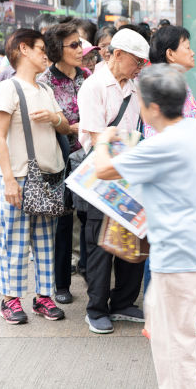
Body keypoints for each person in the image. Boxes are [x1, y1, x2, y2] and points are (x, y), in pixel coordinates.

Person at [93, 64, 196, 388]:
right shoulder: (192, 129)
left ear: (153, 107)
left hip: (178, 254)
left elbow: (104, 169)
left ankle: (191, 381)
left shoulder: (161, 145)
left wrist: (104, 140)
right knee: (162, 316)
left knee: (171, 343)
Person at [145, 24, 196, 336]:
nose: (192, 51)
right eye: (186, 45)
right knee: (170, 250)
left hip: (187, 179)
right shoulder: (162, 85)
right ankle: (162, 319)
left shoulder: (179, 83)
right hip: (173, 181)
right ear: (170, 53)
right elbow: (160, 133)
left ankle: (177, 315)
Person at [0, 28, 70, 324]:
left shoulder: (46, 90)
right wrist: (9, 179)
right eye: (39, 49)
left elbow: (63, 127)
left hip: (49, 177)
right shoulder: (8, 89)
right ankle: (10, 299)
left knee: (45, 241)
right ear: (23, 49)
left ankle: (43, 297)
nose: (45, 54)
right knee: (14, 240)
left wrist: (55, 118)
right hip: (21, 178)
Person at [77, 28, 149, 334]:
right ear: (117, 55)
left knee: (132, 239)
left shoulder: (135, 89)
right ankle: (96, 308)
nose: (140, 67)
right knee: (100, 246)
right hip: (100, 176)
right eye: (137, 61)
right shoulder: (93, 87)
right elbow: (96, 140)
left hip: (129, 174)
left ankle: (123, 302)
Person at [39, 21, 89, 305]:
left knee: (88, 219)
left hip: (88, 157)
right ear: (57, 49)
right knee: (62, 222)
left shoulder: (88, 77)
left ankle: (87, 270)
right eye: (74, 45)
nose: (80, 49)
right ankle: (61, 284)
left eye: (80, 43)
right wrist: (69, 128)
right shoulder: (45, 82)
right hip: (59, 160)